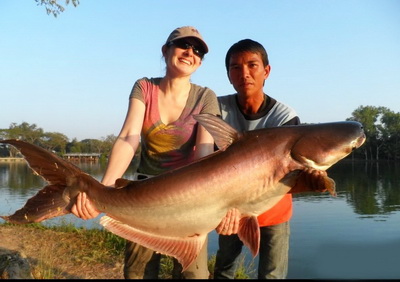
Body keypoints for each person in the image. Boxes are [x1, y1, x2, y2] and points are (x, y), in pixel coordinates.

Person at [70, 26, 221, 279]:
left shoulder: (206, 97)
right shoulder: (144, 87)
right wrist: (103, 189)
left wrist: (205, 206)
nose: (190, 53)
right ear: (166, 50)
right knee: (138, 273)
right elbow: (129, 136)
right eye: (183, 45)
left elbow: (204, 153)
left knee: (194, 275)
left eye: (198, 51)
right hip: (142, 195)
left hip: (188, 198)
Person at [213, 39, 315, 279]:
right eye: (235, 67)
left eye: (252, 65)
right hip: (231, 208)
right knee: (225, 269)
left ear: (266, 71)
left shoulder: (285, 116)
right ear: (228, 75)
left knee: (272, 274)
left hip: (274, 207)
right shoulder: (217, 109)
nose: (244, 73)